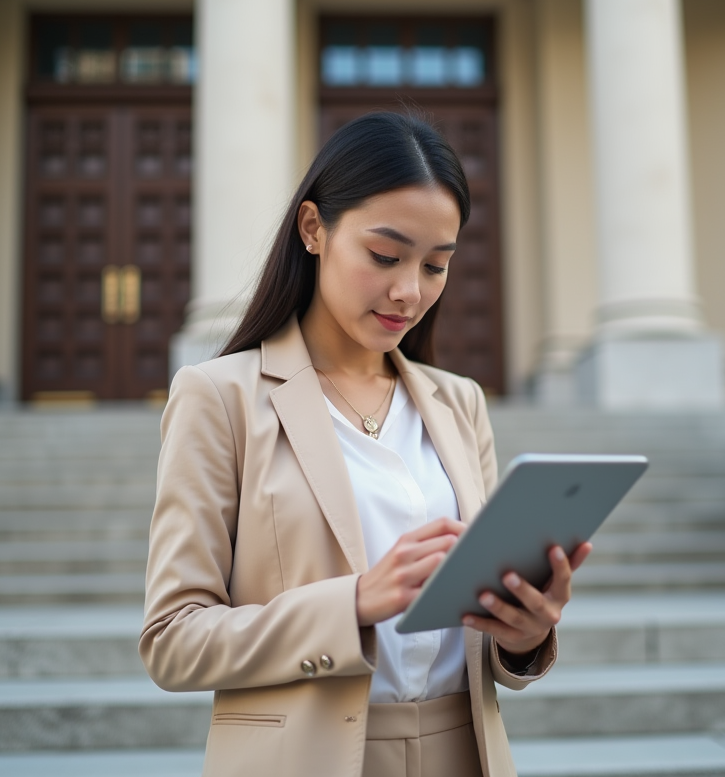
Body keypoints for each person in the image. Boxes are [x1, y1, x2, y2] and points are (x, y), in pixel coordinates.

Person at [140, 111, 591, 777]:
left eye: (436, 266)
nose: (409, 292)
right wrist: (351, 605)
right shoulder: (220, 396)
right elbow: (173, 641)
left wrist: (523, 637)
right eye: (384, 256)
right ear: (314, 229)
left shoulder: (458, 402)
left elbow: (481, 646)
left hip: (462, 753)